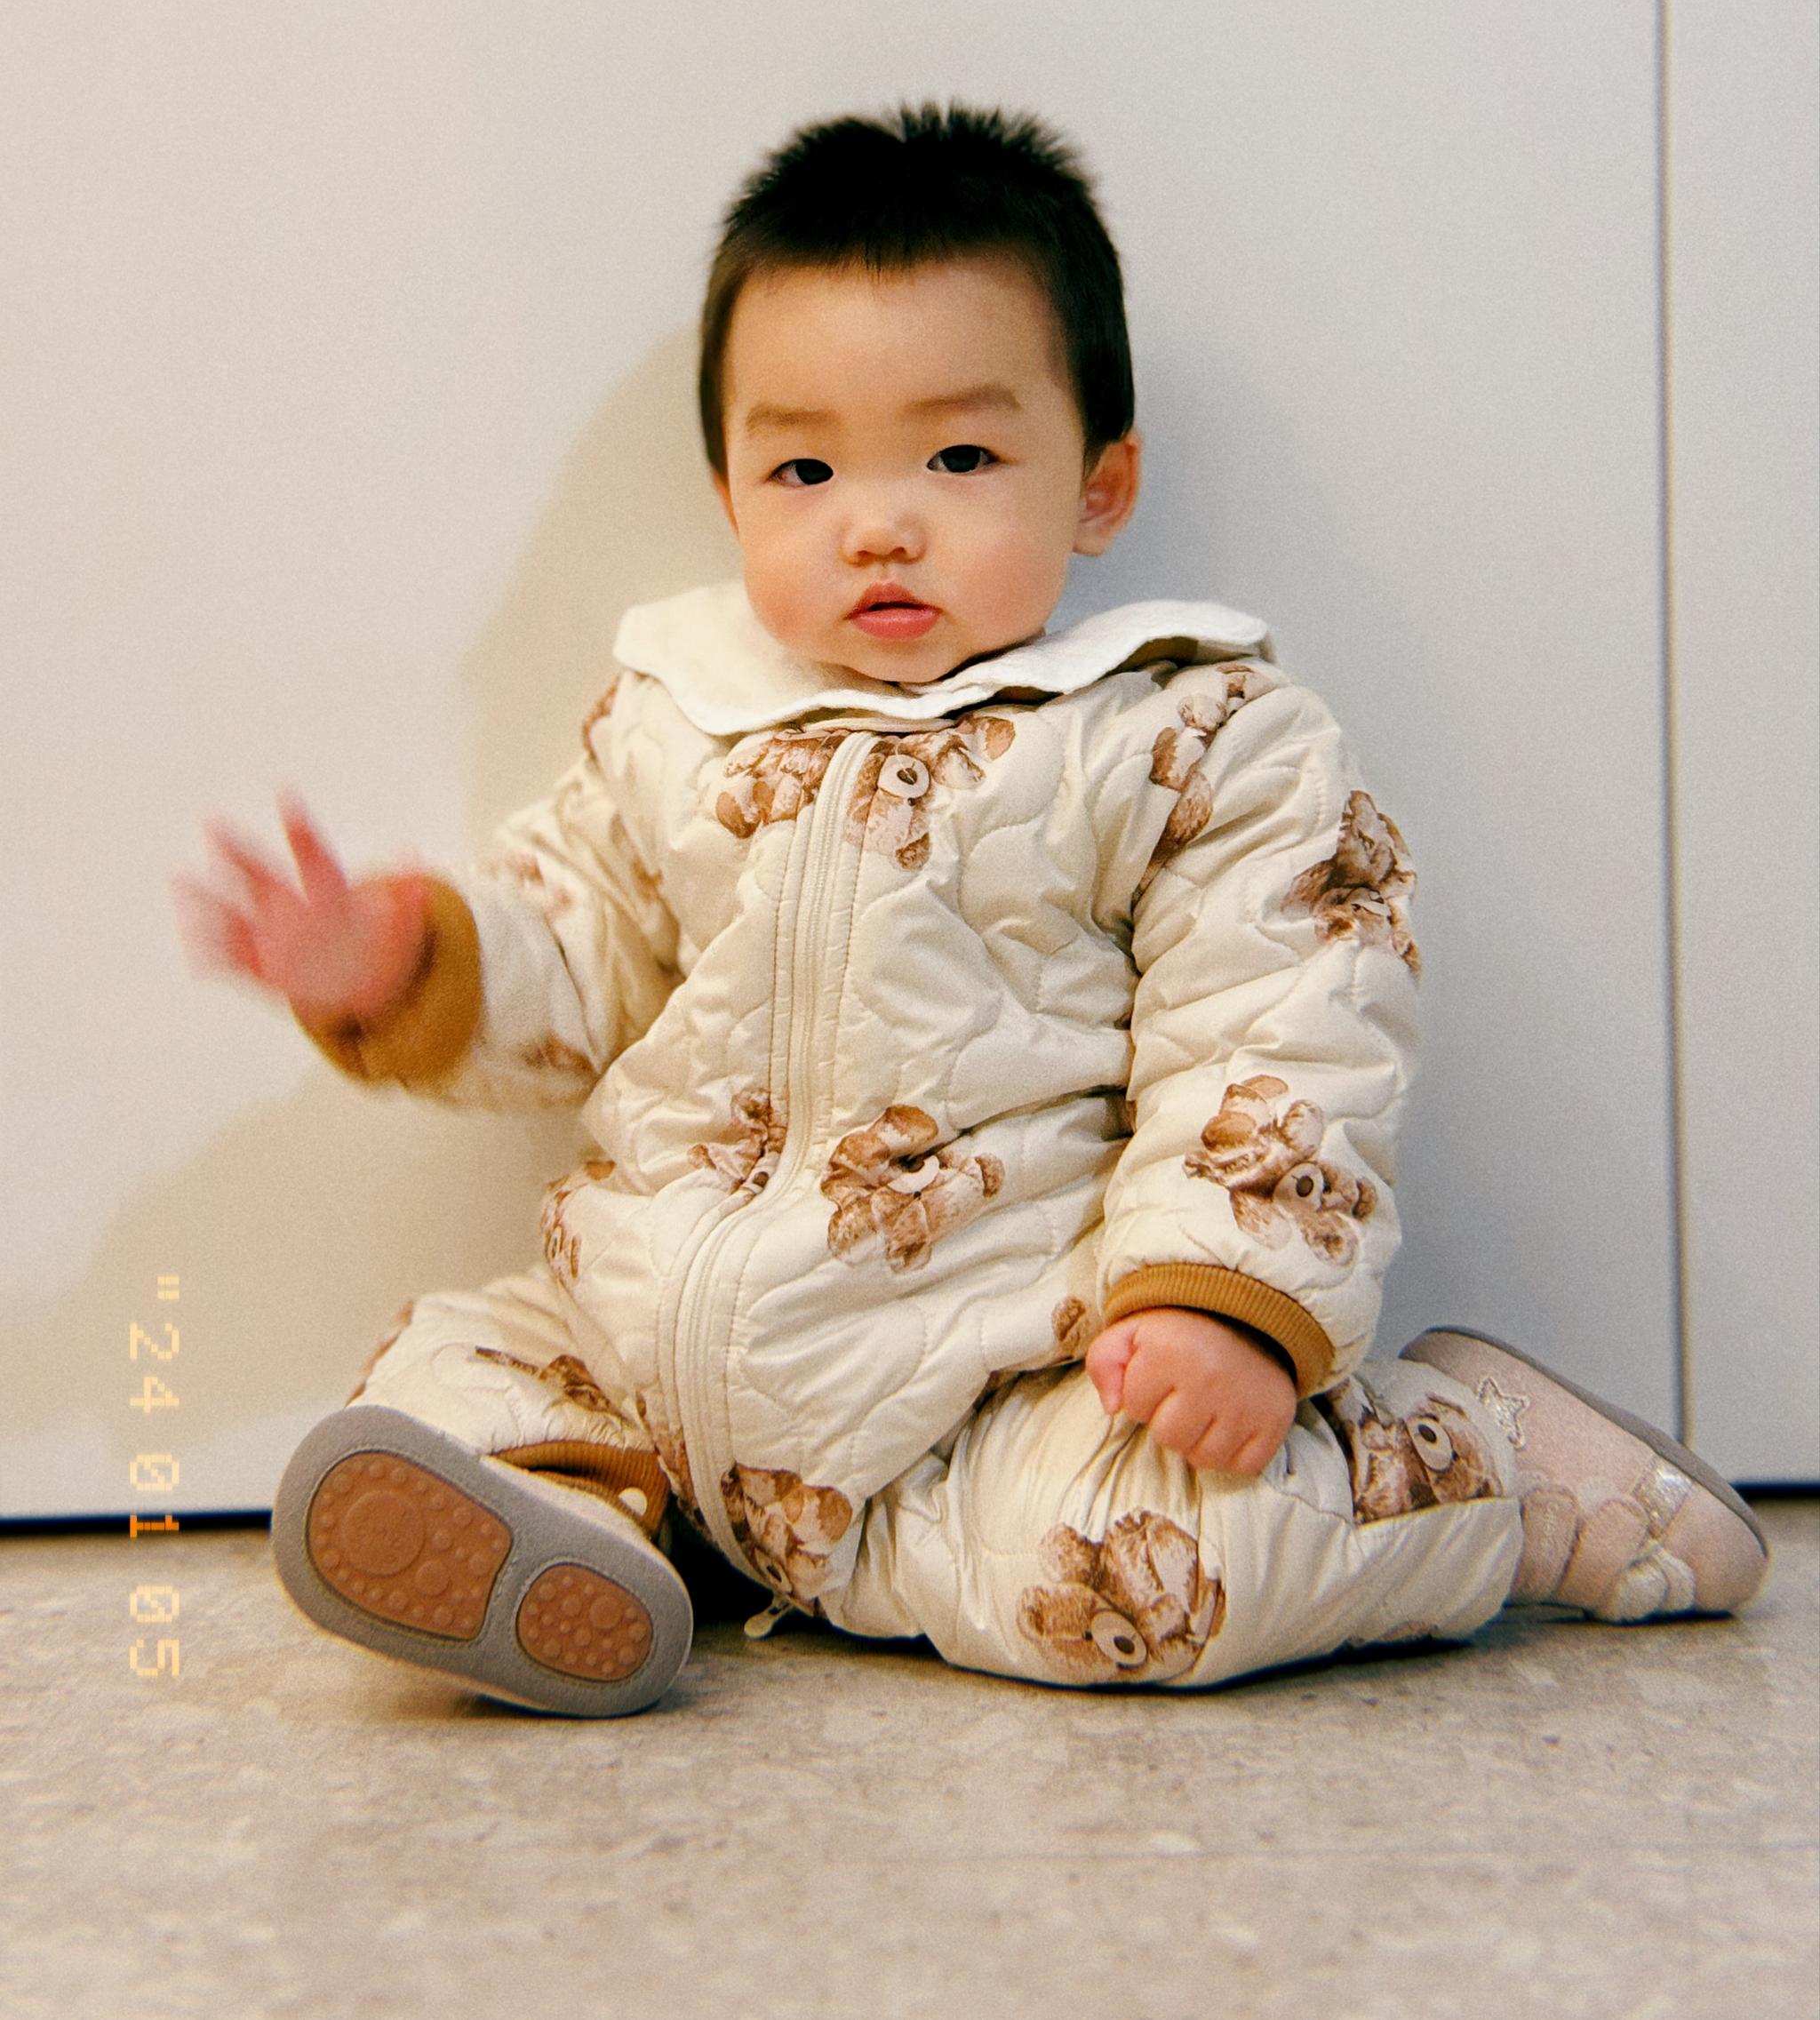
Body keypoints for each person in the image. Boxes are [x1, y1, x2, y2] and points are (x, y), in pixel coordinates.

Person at [175, 103, 1768, 1717]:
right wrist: (403, 963)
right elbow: (573, 945)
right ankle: (580, 1528)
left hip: (982, 1383)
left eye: (958, 456)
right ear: (730, 493)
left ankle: (1471, 1459)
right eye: (803, 464)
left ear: (1100, 482)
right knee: (438, 1380)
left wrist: (1227, 1298)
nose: (877, 518)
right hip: (650, 1351)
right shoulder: (674, 719)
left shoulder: (1183, 738)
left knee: (1164, 1570)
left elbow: (1287, 1020)